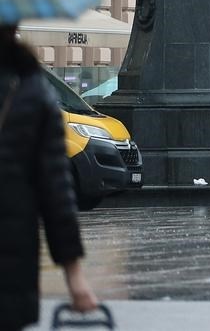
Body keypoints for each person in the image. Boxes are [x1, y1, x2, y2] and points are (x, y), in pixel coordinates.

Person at [0, 26, 99, 331]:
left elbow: (55, 190)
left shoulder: (31, 91)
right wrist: (74, 276)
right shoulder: (33, 91)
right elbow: (56, 192)